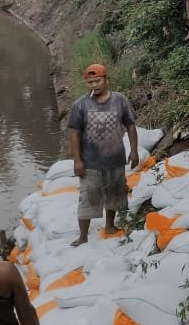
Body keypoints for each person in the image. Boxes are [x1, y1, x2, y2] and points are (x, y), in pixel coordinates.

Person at [67, 64, 140, 247]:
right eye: (90, 82)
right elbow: (73, 133)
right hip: (90, 162)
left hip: (115, 159)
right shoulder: (80, 105)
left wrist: (134, 150)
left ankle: (110, 226)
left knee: (114, 194)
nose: (94, 85)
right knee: (88, 198)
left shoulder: (120, 100)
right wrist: (77, 160)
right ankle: (83, 236)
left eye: (97, 81)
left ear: (106, 79)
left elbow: (130, 125)